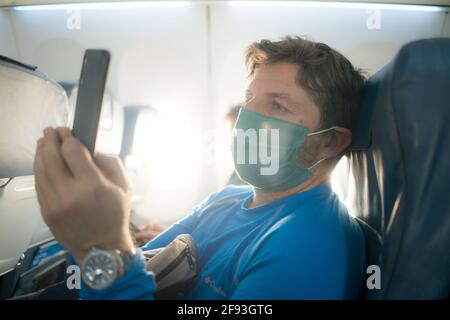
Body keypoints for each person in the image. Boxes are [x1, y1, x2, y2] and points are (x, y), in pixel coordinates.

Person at [34, 36, 367, 299]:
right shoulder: (226, 198)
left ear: (330, 142)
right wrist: (108, 226)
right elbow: (141, 262)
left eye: (277, 105)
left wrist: (101, 249)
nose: (247, 118)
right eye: (249, 99)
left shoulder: (307, 245)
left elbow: (116, 265)